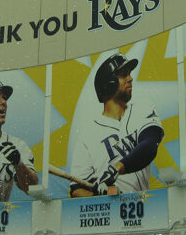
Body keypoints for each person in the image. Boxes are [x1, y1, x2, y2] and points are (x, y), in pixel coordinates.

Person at [70, 53, 165, 196]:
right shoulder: (88, 135)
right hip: (108, 214)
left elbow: (150, 144)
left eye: (129, 74)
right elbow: (77, 189)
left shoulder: (142, 108)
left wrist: (117, 168)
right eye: (124, 75)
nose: (130, 78)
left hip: (141, 207)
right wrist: (99, 197)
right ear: (110, 83)